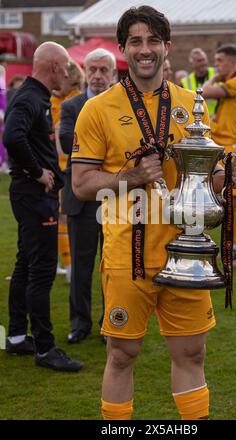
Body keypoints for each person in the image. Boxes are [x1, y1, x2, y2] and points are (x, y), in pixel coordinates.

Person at [71, 6, 236, 420]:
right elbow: (82, 185)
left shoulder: (193, 104)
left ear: (167, 47)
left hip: (189, 255)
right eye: (135, 41)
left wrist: (230, 174)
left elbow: (208, 179)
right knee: (121, 355)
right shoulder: (97, 109)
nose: (145, 49)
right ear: (123, 49)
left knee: (192, 352)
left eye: (153, 40)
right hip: (127, 258)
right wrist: (133, 174)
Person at [3, 42, 83, 372]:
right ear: (52, 66)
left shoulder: (36, 96)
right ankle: (45, 348)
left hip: (32, 195)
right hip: (35, 196)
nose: (67, 72)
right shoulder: (30, 97)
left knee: (26, 263)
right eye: (64, 66)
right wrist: (38, 172)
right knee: (42, 269)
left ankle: (19, 337)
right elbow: (11, 137)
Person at [59, 48, 117, 344]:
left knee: (114, 266)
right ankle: (79, 323)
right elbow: (67, 141)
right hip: (81, 198)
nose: (97, 75)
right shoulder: (71, 106)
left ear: (113, 74)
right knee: (81, 267)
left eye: (103, 70)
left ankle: (112, 323)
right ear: (84, 71)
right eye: (92, 69)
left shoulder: (121, 106)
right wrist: (105, 143)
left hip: (113, 197)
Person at [203, 45, 236, 266]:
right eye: (216, 60)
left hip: (234, 148)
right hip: (224, 147)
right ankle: (233, 247)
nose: (217, 65)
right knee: (229, 200)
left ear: (233, 62)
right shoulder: (232, 85)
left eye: (220, 60)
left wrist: (213, 77)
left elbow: (204, 91)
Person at [51, 60, 85, 283]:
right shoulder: (53, 100)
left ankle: (70, 263)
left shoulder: (76, 101)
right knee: (54, 217)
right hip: (53, 167)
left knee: (64, 218)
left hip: (70, 169)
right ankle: (60, 261)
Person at [181, 48, 217, 115]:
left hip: (216, 120)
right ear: (192, 64)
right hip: (197, 122)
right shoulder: (185, 82)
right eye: (199, 61)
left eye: (204, 60)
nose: (203, 63)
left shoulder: (217, 73)